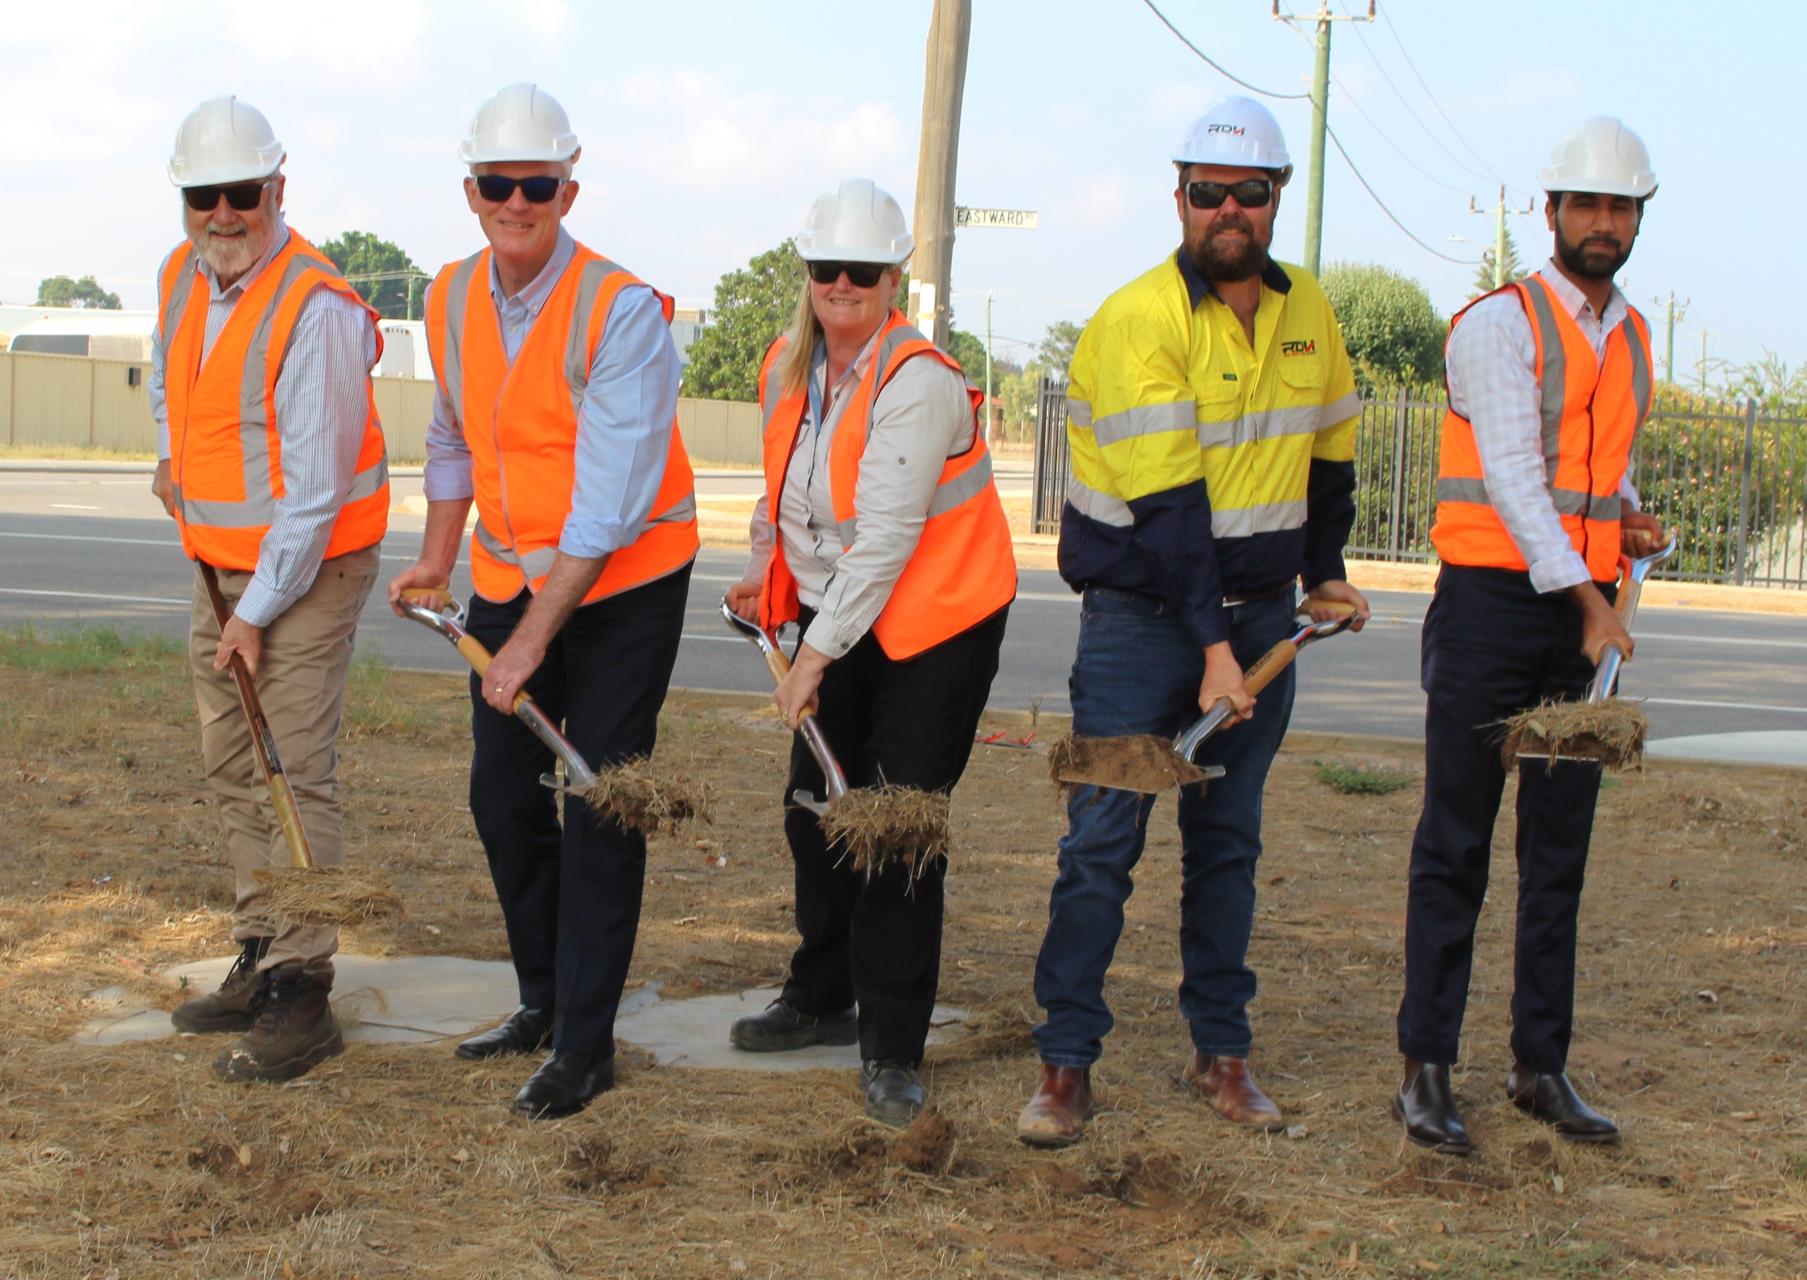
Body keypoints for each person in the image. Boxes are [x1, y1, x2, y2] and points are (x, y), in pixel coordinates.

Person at [1016, 96, 1369, 1148]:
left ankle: (1222, 1053)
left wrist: (1325, 573)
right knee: (1100, 844)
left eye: (1248, 194)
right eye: (1208, 192)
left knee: (1227, 846)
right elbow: (1172, 516)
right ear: (1178, 198)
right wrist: (1217, 654)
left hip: (1259, 623)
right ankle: (1064, 1067)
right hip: (1141, 627)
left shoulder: (1310, 316)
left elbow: (1330, 461)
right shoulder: (1138, 321)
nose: (1228, 210)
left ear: (1275, 202)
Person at [388, 84, 698, 1120]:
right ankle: (541, 998)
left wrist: (522, 644)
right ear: (470, 191)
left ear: (569, 187)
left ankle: (586, 1042)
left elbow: (606, 509)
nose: (515, 201)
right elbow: (450, 434)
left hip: (625, 583)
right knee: (503, 795)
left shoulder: (621, 312)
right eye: (496, 184)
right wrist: (438, 559)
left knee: (600, 798)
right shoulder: (447, 295)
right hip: (514, 575)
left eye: (536, 184)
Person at [1392, 118, 1665, 1156]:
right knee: (1454, 843)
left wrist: (1626, 518)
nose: (1602, 222)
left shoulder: (1630, 335)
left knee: (1558, 852)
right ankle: (1424, 1068)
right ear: (1549, 213)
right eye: (1585, 205)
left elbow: (1587, 469)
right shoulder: (1496, 326)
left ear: (1638, 217)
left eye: (1620, 206)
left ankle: (1537, 1063)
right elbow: (1510, 475)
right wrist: (1588, 600)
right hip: (1493, 611)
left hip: (1576, 608)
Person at [724, 178, 1017, 1127]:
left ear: (894, 278)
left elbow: (883, 540)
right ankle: (820, 992)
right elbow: (784, 492)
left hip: (935, 626)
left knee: (892, 829)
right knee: (816, 809)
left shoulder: (917, 381)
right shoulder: (786, 365)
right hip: (834, 611)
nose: (840, 286)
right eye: (824, 269)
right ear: (805, 273)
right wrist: (761, 569)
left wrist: (813, 660)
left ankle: (891, 1044)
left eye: (860, 271)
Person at [153, 96, 390, 1083]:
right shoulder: (182, 274)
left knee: (291, 768)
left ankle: (304, 987)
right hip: (218, 564)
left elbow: (316, 488)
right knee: (231, 765)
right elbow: (174, 386)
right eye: (202, 195)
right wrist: (172, 465)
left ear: (276, 190)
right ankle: (260, 947)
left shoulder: (316, 307)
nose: (221, 213)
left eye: (240, 193)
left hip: (308, 568)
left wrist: (254, 615)